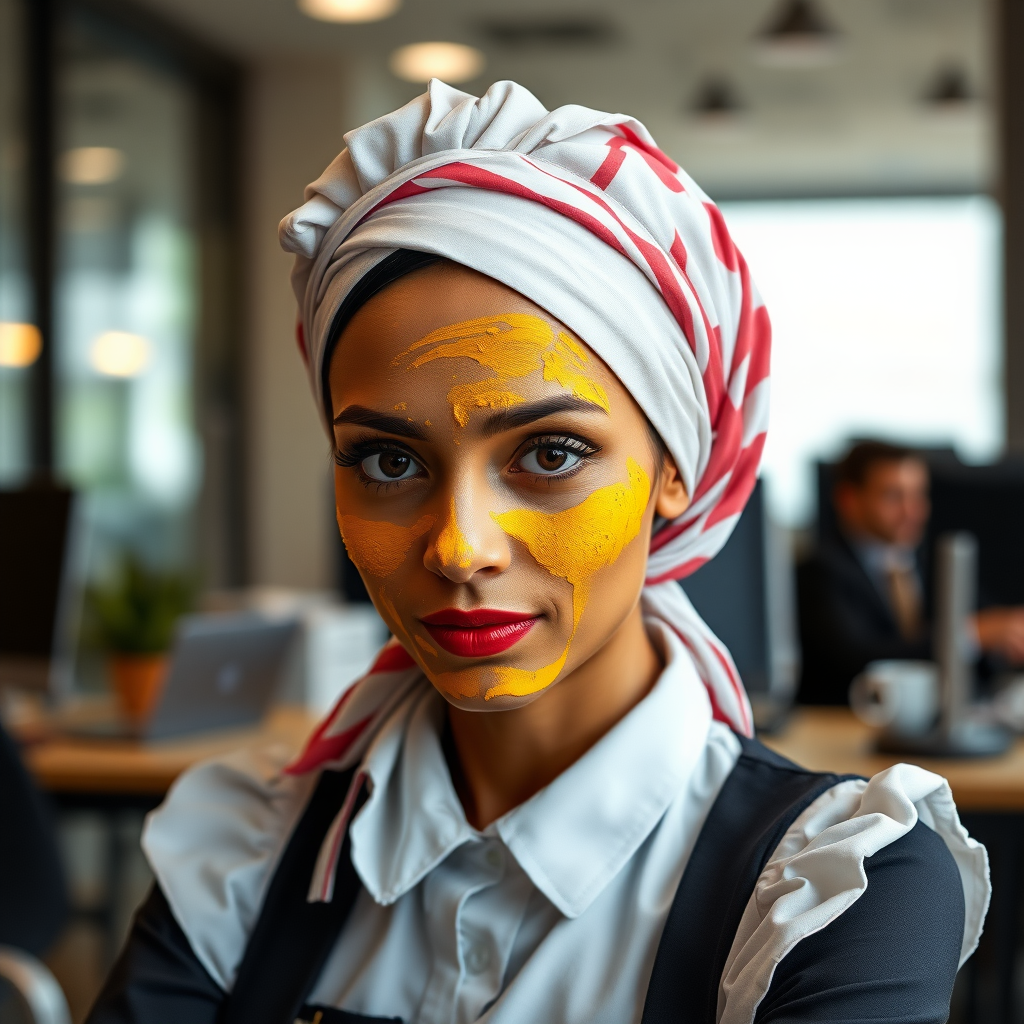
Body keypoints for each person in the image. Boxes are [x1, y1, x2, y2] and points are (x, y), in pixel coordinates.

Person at [86, 81, 987, 1024]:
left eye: (550, 454)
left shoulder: (831, 887)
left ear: (674, 469)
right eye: (389, 461)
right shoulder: (248, 853)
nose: (459, 547)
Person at [797, 440, 1024, 706]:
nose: (911, 511)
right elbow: (854, 659)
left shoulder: (933, 564)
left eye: (918, 495)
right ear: (849, 499)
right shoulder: (821, 570)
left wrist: (1003, 638)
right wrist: (969, 636)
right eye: (894, 496)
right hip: (841, 727)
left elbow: (988, 626)